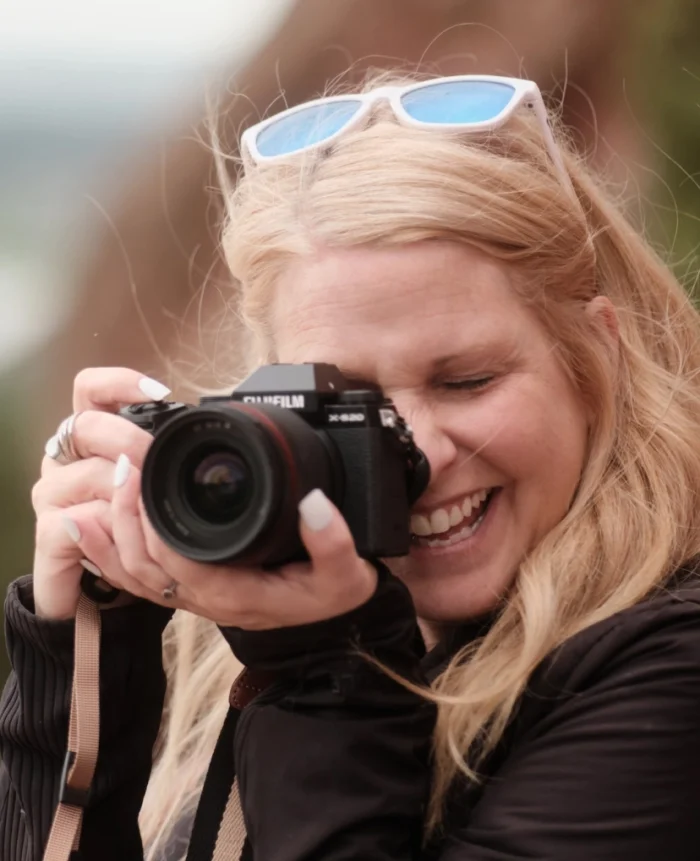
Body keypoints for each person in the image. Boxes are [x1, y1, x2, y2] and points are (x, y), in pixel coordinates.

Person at [2, 73, 700, 861]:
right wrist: (88, 652)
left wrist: (325, 668)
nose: (422, 454)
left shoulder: (670, 668)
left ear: (594, 355)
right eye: (346, 404)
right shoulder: (237, 636)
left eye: (465, 380)